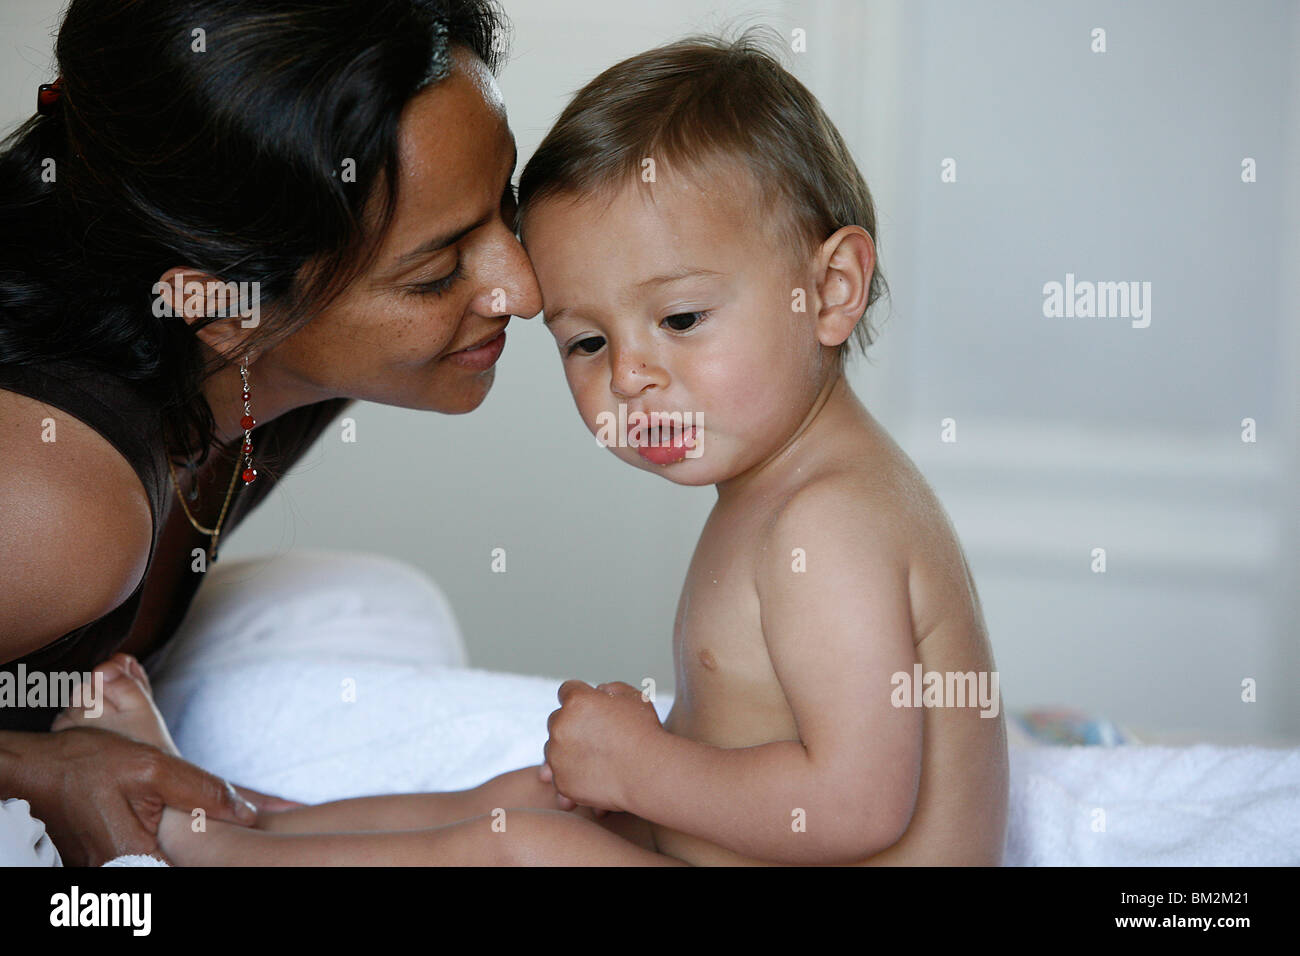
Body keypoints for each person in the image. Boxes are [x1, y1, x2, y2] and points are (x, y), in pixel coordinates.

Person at [57, 31, 1008, 865]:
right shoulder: (786, 486)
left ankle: (211, 861)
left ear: (832, 288)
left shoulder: (830, 523)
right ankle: (248, 823)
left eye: (680, 317)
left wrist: (646, 768)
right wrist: (636, 777)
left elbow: (855, 806)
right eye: (587, 342)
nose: (630, 375)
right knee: (530, 798)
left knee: (521, 845)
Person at [0, 0, 540, 865]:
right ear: (221, 307)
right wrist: (40, 772)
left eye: (505, 200)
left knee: (384, 609)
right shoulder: (56, 501)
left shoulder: (279, 337)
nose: (522, 286)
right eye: (437, 273)